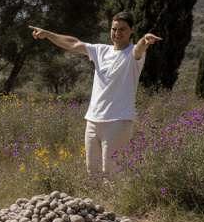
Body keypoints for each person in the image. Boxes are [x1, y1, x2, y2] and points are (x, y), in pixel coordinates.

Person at [30, 13, 161, 175]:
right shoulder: (100, 51)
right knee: (92, 170)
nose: (117, 33)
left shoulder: (133, 55)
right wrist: (48, 34)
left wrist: (144, 40)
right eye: (114, 29)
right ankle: (96, 200)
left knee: (111, 172)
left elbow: (140, 47)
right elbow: (73, 44)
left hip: (118, 121)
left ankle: (113, 200)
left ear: (132, 30)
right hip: (93, 121)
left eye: (122, 29)